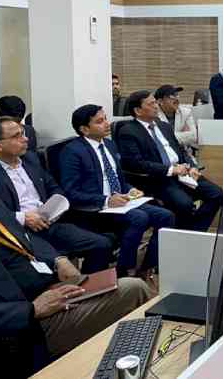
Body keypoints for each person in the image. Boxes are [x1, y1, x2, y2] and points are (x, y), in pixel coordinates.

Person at [0, 170, 151, 373]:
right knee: (133, 288)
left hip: (50, 288)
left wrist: (58, 260)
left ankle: (122, 362)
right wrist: (33, 309)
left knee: (119, 283)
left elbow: (26, 239)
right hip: (21, 325)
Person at [59, 105, 175, 279]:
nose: (107, 124)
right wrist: (106, 200)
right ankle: (123, 271)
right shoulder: (73, 151)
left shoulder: (110, 145)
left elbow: (119, 179)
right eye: (100, 121)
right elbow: (71, 192)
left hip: (121, 202)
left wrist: (130, 189)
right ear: (84, 129)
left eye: (105, 118)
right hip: (95, 209)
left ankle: (147, 266)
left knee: (166, 216)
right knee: (139, 217)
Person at [0, 117, 114, 273]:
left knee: (101, 244)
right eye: (17, 136)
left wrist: (55, 208)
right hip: (18, 233)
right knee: (56, 264)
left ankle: (88, 288)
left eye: (23, 133)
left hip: (48, 221)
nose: (25, 139)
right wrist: (23, 218)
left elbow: (54, 187)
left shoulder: (30, 159)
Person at [117, 91, 223, 232]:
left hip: (183, 174)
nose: (156, 106)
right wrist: (170, 170)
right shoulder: (128, 131)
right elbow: (136, 163)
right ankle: (184, 235)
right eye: (151, 104)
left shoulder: (163, 126)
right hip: (159, 179)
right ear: (138, 110)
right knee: (184, 204)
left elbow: (181, 152)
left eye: (155, 102)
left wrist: (191, 167)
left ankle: (193, 232)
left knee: (217, 194)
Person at [155, 85, 197, 156]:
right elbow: (156, 139)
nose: (176, 99)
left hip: (183, 154)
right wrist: (183, 135)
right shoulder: (154, 115)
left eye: (177, 95)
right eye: (171, 97)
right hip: (162, 155)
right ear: (160, 101)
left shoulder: (186, 112)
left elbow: (193, 136)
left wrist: (168, 137)